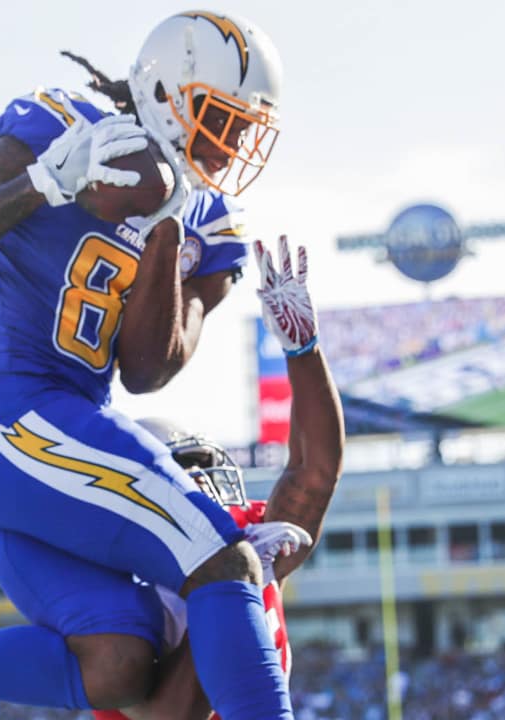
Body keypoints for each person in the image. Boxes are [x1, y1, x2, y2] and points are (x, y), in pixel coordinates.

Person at [0, 11, 295, 720]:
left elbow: (146, 370)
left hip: (62, 437)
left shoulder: (211, 222)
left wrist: (166, 224)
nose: (230, 149)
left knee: (118, 664)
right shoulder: (62, 127)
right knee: (224, 561)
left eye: (243, 131)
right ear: (168, 90)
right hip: (7, 419)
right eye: (220, 122)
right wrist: (40, 183)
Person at [93, 238, 343, 720]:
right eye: (189, 473)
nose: (207, 488)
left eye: (206, 471)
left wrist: (303, 350)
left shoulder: (247, 540)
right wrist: (236, 587)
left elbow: (314, 474)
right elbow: (172, 713)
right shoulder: (116, 590)